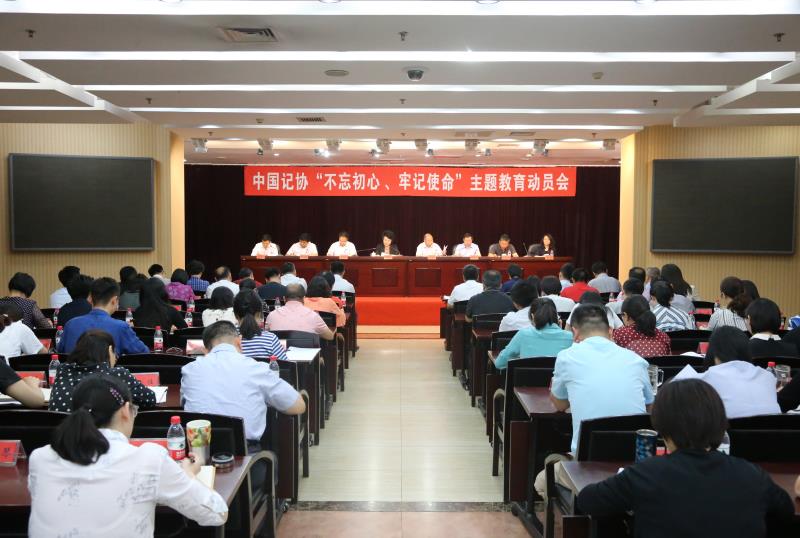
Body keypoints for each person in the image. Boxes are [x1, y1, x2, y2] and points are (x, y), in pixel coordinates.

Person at [576, 378, 794, 538]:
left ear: (662, 427)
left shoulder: (646, 474)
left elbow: (587, 501)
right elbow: (785, 511)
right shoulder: (752, 474)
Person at [30, 375, 228, 537]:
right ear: (126, 410)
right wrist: (188, 475)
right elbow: (217, 513)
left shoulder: (40, 459)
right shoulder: (148, 460)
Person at [537, 304, 653, 496]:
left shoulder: (567, 357)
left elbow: (560, 404)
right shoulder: (636, 360)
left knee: (541, 481)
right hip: (635, 464)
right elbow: (649, 407)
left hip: (587, 464)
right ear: (611, 331)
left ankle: (575, 510)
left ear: (575, 333)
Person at [181, 321, 306, 447]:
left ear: (206, 350)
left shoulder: (189, 370)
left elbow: (184, 404)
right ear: (239, 342)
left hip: (197, 451)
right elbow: (297, 405)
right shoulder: (257, 368)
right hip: (245, 453)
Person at [673, 326, 780, 418]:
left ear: (714, 352)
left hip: (723, 435)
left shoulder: (704, 381)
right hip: (772, 435)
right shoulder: (768, 377)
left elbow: (670, 394)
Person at [49, 330, 156, 412]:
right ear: (110, 350)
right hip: (97, 434)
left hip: (63, 433)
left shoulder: (62, 370)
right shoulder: (116, 374)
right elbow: (149, 398)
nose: (116, 357)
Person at [58, 277, 149, 355]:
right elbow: (144, 354)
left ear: (90, 299)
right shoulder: (121, 327)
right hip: (108, 371)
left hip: (74, 371)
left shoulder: (70, 324)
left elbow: (60, 352)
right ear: (114, 301)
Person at [495, 298, 573, 369]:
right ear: (556, 317)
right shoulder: (570, 337)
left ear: (532, 316)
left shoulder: (523, 335)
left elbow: (499, 363)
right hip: (557, 380)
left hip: (527, 380)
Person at [266, 284, 335, 341]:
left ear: (284, 298)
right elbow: (330, 336)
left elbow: (266, 335)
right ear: (304, 298)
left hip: (280, 353)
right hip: (306, 353)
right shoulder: (313, 316)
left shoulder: (271, 316)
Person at [233, 291, 287, 360]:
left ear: (236, 315)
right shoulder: (270, 339)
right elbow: (285, 364)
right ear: (260, 314)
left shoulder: (228, 340)